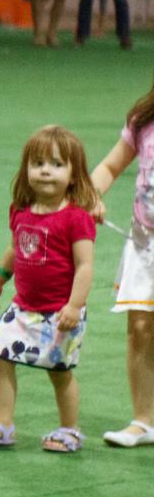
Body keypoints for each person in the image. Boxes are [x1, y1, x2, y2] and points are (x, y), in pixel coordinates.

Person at [0, 126, 97, 454]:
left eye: (56, 164)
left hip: (60, 311)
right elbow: (16, 248)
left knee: (59, 371)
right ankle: (3, 425)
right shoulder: (21, 211)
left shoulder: (76, 219)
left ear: (73, 175)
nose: (44, 170)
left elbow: (84, 266)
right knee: (1, 357)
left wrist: (74, 305)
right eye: (37, 163)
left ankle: (70, 430)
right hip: (23, 307)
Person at [84, 80, 154, 448]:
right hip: (145, 244)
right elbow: (110, 167)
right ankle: (144, 421)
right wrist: (91, 195)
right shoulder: (143, 120)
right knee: (140, 326)